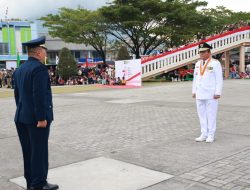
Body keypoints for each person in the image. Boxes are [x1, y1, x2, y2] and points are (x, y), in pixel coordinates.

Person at [13, 36, 59, 190]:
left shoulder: (20, 69)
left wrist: (23, 112)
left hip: (21, 117)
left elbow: (17, 96)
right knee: (39, 150)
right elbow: (38, 95)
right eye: (44, 52)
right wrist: (41, 118)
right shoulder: (39, 69)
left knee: (28, 151)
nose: (45, 55)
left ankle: (31, 182)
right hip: (36, 120)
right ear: (38, 52)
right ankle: (39, 184)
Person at [192, 42, 223, 143]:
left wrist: (218, 92)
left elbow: (219, 79)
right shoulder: (197, 64)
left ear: (209, 52)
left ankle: (211, 135)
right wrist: (194, 91)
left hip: (211, 94)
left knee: (211, 114)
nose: (201, 54)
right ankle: (203, 133)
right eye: (200, 52)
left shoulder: (215, 63)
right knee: (202, 115)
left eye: (203, 52)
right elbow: (195, 79)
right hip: (199, 93)